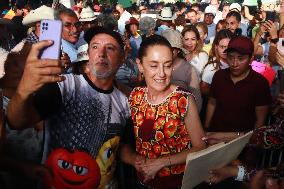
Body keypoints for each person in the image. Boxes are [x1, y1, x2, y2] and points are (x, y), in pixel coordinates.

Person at [6, 26, 134, 188]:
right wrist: (24, 89)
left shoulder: (125, 102)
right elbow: (16, 122)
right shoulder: (64, 86)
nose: (101, 54)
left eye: (110, 48)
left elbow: (119, 146)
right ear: (88, 54)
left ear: (122, 58)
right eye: (95, 47)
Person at [124, 35, 206, 189]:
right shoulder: (136, 96)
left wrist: (161, 163)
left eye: (167, 66)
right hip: (142, 181)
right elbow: (127, 143)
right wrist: (136, 160)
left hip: (176, 183)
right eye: (153, 66)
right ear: (140, 65)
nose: (161, 73)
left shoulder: (183, 100)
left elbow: (200, 146)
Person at [205, 36, 272, 137]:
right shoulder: (219, 76)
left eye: (241, 59)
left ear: (251, 59)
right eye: (231, 57)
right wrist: (206, 128)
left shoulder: (259, 83)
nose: (234, 63)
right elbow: (212, 103)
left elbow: (260, 120)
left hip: (242, 141)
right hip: (215, 136)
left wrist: (252, 143)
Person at [161, 29, 202, 112]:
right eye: (164, 48)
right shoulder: (155, 66)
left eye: (172, 48)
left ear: (178, 50)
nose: (167, 51)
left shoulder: (189, 69)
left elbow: (197, 100)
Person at [201, 29, 234, 96]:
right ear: (216, 47)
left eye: (228, 47)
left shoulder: (235, 63)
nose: (225, 50)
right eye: (222, 47)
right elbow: (204, 89)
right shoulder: (212, 67)